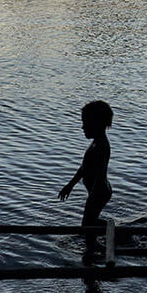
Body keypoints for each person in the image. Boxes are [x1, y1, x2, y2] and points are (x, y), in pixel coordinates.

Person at [59, 100, 114, 263]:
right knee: (89, 224)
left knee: (87, 225)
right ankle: (93, 251)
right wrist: (70, 185)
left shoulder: (101, 146)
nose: (82, 127)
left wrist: (93, 195)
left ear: (97, 123)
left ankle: (106, 238)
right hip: (97, 191)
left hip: (99, 191)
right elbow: (84, 168)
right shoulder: (95, 143)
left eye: (85, 123)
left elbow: (100, 173)